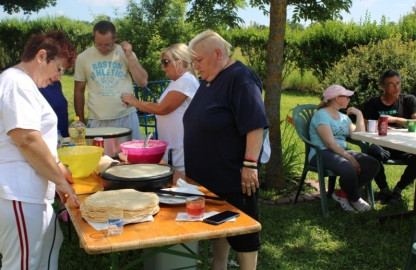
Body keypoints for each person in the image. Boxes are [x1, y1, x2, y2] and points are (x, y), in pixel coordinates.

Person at [183, 30, 269, 270]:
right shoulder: (210, 79)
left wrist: (250, 165)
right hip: (210, 179)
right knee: (218, 227)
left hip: (233, 176)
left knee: (243, 233)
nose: (195, 65)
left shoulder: (241, 78)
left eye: (198, 60)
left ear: (218, 53)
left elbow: (255, 125)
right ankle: (218, 266)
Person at [0, 30, 81, 270]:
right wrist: (61, 181)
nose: (58, 77)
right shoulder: (16, 82)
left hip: (32, 193)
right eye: (59, 69)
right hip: (19, 192)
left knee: (49, 250)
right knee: (24, 264)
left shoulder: (24, 84)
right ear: (42, 56)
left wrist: (56, 169)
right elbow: (26, 138)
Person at [122, 43, 199, 173]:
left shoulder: (186, 81)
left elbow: (162, 108)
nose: (163, 67)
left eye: (165, 62)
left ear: (179, 62)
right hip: (174, 153)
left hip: (181, 155)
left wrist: (135, 101)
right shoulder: (176, 82)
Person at [309, 85, 380, 212]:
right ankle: (355, 198)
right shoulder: (322, 115)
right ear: (337, 98)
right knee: (348, 168)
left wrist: (359, 114)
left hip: (340, 152)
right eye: (346, 97)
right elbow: (329, 143)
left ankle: (342, 194)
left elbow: (358, 136)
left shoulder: (343, 117)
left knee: (373, 164)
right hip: (321, 153)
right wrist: (349, 157)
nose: (349, 99)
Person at [74, 20, 148, 139]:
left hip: (126, 117)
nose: (103, 48)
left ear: (115, 38)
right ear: (94, 37)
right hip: (97, 120)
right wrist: (81, 120)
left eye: (107, 44)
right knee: (101, 157)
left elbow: (143, 82)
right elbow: (78, 90)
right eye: (98, 44)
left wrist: (129, 56)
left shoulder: (125, 53)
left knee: (131, 156)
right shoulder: (83, 58)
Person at [362, 69, 416, 204]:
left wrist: (394, 119)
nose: (396, 87)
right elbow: (365, 123)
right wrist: (387, 127)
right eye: (391, 84)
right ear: (382, 86)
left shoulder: (409, 100)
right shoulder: (373, 103)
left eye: (398, 83)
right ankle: (384, 189)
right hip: (382, 144)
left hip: (404, 145)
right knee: (372, 152)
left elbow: (414, 121)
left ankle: (398, 189)